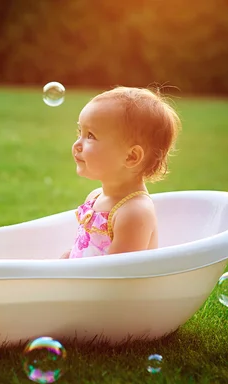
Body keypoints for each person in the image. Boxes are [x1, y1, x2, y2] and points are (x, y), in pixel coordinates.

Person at [60, 86, 181, 259]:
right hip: (87, 283)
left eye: (91, 136)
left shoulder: (134, 212)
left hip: (107, 286)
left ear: (131, 156)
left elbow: (116, 274)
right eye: (80, 132)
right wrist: (70, 258)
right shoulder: (95, 197)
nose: (77, 144)